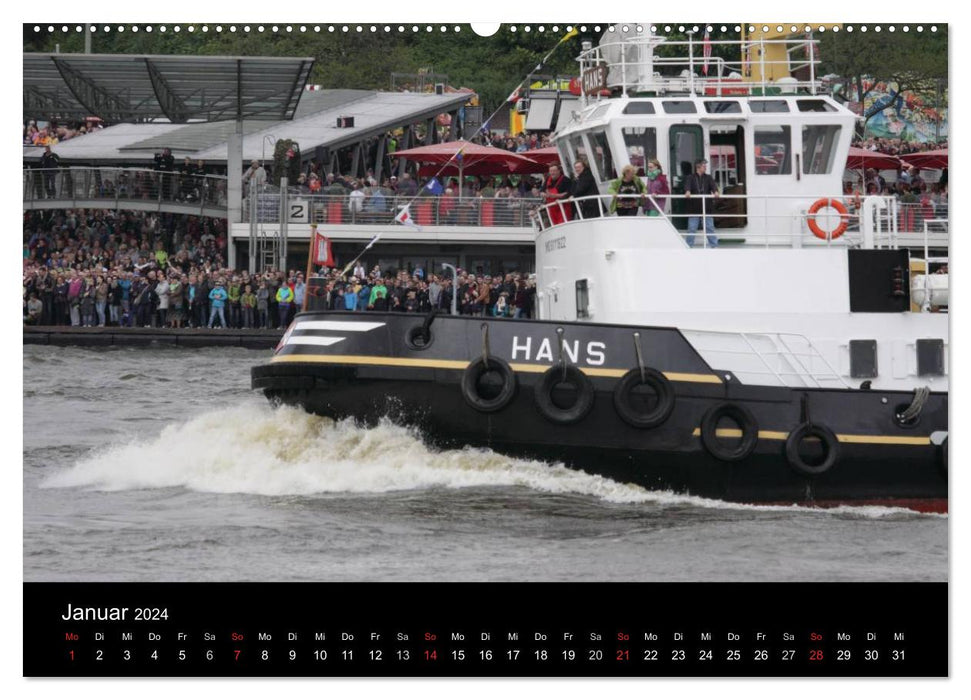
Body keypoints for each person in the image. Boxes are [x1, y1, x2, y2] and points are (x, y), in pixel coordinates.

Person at [684, 159, 719, 247]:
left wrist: (716, 191)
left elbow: (713, 186)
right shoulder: (690, 177)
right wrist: (687, 191)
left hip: (707, 207)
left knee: (709, 228)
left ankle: (714, 246)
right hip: (694, 207)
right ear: (698, 167)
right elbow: (687, 186)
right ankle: (688, 246)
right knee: (692, 228)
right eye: (704, 166)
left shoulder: (708, 177)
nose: (705, 167)